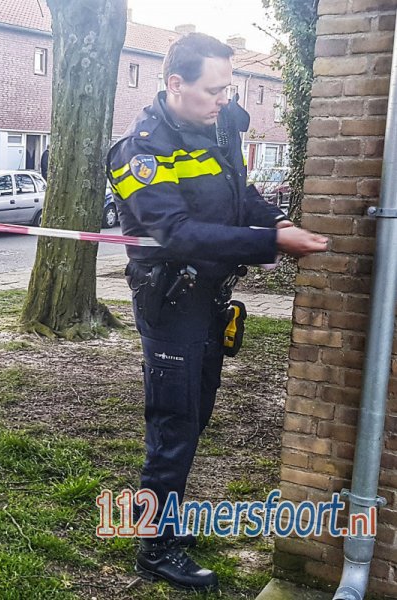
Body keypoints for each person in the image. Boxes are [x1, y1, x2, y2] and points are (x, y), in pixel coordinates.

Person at [105, 33, 328, 592]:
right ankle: (155, 548)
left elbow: (239, 192)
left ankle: (165, 520)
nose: (224, 100)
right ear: (175, 84)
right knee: (173, 425)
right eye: (214, 89)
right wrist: (269, 244)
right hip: (171, 301)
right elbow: (177, 233)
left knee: (195, 416)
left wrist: (275, 220)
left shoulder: (217, 127)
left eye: (228, 88)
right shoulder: (140, 152)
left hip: (209, 297)